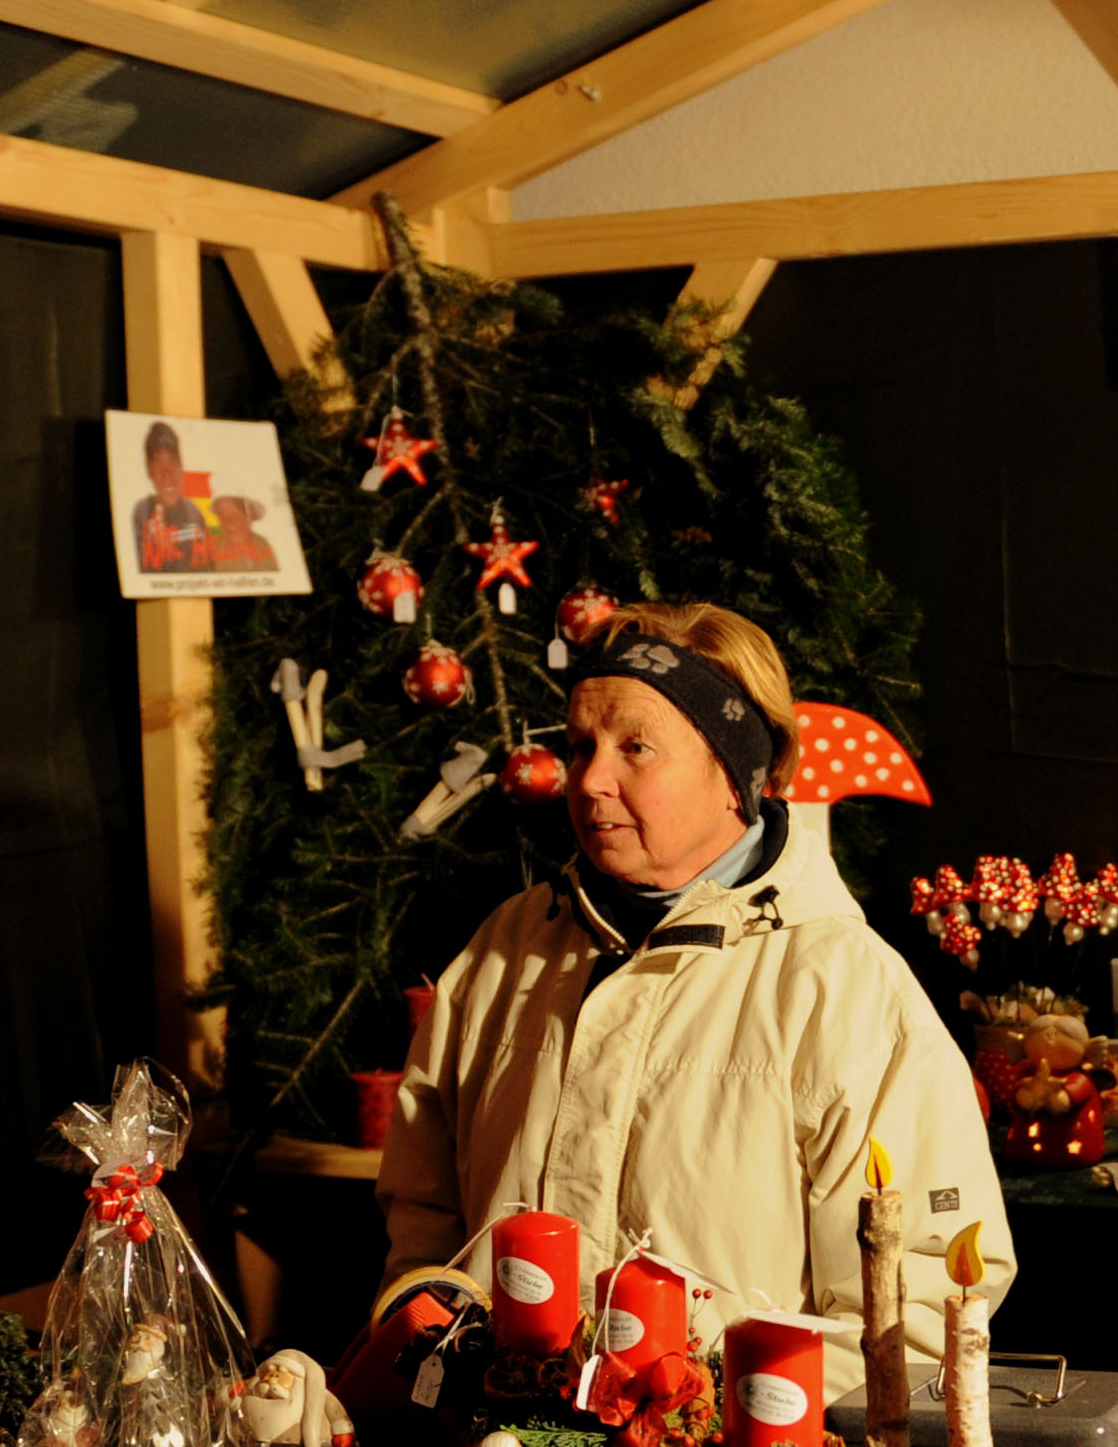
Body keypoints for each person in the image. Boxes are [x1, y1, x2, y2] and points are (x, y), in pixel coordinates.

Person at [378, 602, 1007, 1405]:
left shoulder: (843, 990)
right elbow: (423, 1214)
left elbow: (915, 1309)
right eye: (581, 746)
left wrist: (714, 1428)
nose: (590, 780)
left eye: (635, 748)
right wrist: (440, 1364)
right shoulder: (507, 950)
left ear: (734, 777)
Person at [132, 420, 212, 573]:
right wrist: (155, 547)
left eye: (172, 464)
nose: (167, 475)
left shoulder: (194, 513)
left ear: (181, 467)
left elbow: (208, 569)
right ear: (149, 472)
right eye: (158, 467)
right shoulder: (141, 513)